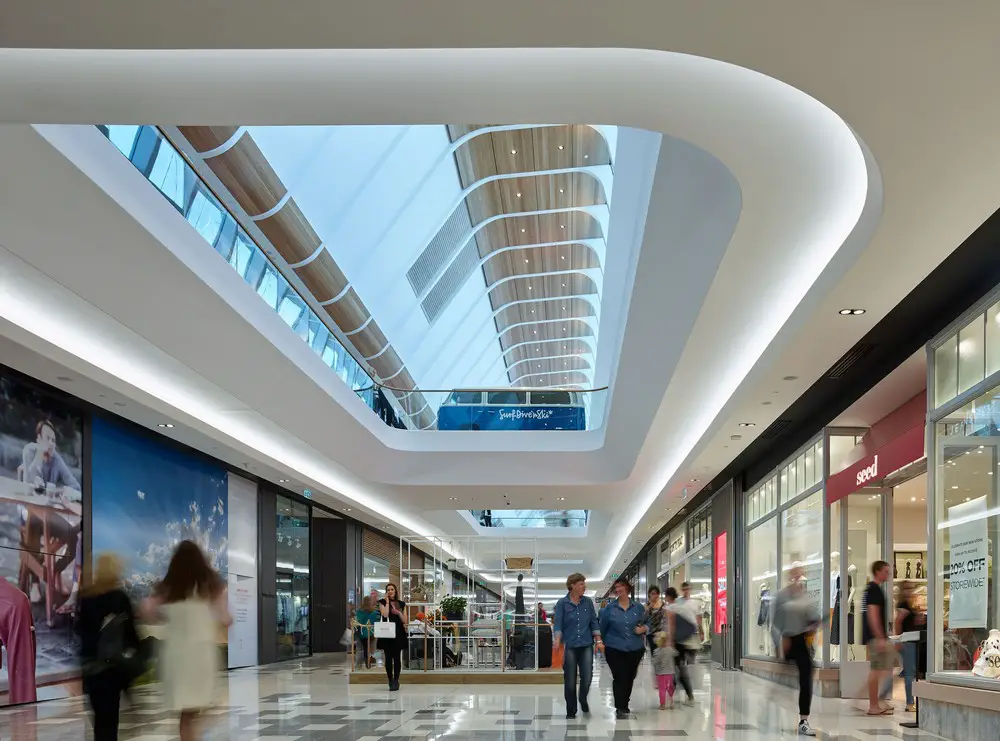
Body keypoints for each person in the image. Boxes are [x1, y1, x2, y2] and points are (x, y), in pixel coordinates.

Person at [143, 540, 232, 741]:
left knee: (185, 711)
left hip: (176, 654)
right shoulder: (210, 584)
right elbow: (225, 618)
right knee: (199, 706)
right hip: (200, 653)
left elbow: (148, 611)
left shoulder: (168, 587)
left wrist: (167, 616)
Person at [78, 554, 141, 741]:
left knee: (99, 721)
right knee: (110, 722)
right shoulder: (119, 598)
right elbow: (131, 634)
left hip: (91, 669)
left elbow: (80, 630)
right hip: (112, 670)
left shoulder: (86, 597)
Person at [771, 566, 820, 737]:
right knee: (783, 682)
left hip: (800, 640)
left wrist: (813, 625)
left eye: (800, 573)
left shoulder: (804, 595)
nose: (798, 576)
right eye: (795, 573)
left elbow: (813, 616)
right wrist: (779, 646)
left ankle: (803, 720)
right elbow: (775, 623)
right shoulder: (782, 596)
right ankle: (774, 707)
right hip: (787, 638)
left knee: (806, 675)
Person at [553, 573, 603, 719]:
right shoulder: (562, 603)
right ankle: (571, 710)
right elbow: (558, 623)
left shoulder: (587, 602)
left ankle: (582, 698)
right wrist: (557, 640)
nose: (584, 586)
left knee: (587, 677)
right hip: (570, 645)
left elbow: (594, 621)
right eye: (581, 584)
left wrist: (599, 641)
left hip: (586, 644)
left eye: (584, 584)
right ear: (572, 586)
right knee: (570, 679)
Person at [599, 576, 647, 720]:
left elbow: (649, 623)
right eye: (616, 587)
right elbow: (602, 628)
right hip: (614, 647)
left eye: (621, 586)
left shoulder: (638, 607)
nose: (618, 589)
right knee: (619, 676)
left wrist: (644, 628)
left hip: (635, 648)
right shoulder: (609, 608)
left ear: (627, 587)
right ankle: (620, 707)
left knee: (630, 676)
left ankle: (624, 703)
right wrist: (600, 643)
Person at [864, 560, 894, 716]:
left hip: (877, 637)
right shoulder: (874, 589)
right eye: (886, 571)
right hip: (876, 638)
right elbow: (873, 614)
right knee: (877, 670)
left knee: (884, 668)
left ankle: (878, 701)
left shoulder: (874, 589)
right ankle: (874, 705)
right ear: (878, 571)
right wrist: (880, 637)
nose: (888, 574)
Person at [21, 419, 80, 490]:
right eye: (47, 438)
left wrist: (57, 490)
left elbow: (76, 486)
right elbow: (29, 481)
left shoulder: (56, 458)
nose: (51, 444)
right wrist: (39, 453)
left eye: (53, 440)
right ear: (39, 438)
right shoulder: (29, 450)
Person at [664, 587, 696, 705]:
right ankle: (690, 695)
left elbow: (670, 625)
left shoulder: (669, 608)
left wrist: (670, 640)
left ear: (668, 596)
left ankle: (670, 696)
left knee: (671, 669)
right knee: (681, 668)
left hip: (674, 642)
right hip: (683, 642)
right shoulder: (681, 607)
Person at [894, 580, 920, 712]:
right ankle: (910, 703)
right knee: (909, 672)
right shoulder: (903, 605)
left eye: (911, 588)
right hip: (907, 642)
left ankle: (911, 701)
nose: (910, 591)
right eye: (908, 589)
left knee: (910, 671)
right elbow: (898, 622)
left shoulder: (908, 604)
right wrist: (899, 640)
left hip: (910, 641)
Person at [377, 583, 407, 690]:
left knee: (397, 658)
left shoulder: (401, 604)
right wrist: (388, 602)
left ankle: (396, 680)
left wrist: (398, 613)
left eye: (392, 589)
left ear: (395, 591)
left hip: (398, 633)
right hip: (386, 634)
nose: (390, 591)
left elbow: (405, 620)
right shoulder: (382, 602)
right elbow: (385, 614)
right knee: (388, 658)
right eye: (388, 589)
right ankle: (390, 680)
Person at [652, 628, 677, 710]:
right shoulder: (670, 650)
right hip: (670, 672)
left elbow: (655, 662)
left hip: (660, 673)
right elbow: (676, 654)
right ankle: (671, 701)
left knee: (662, 689)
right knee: (670, 687)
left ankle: (662, 704)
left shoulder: (657, 651)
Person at [354, 596, 379, 669]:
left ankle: (360, 664)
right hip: (371, 633)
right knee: (368, 648)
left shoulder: (358, 611)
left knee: (363, 648)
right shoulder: (375, 612)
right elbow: (376, 623)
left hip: (361, 633)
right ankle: (368, 660)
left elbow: (357, 622)